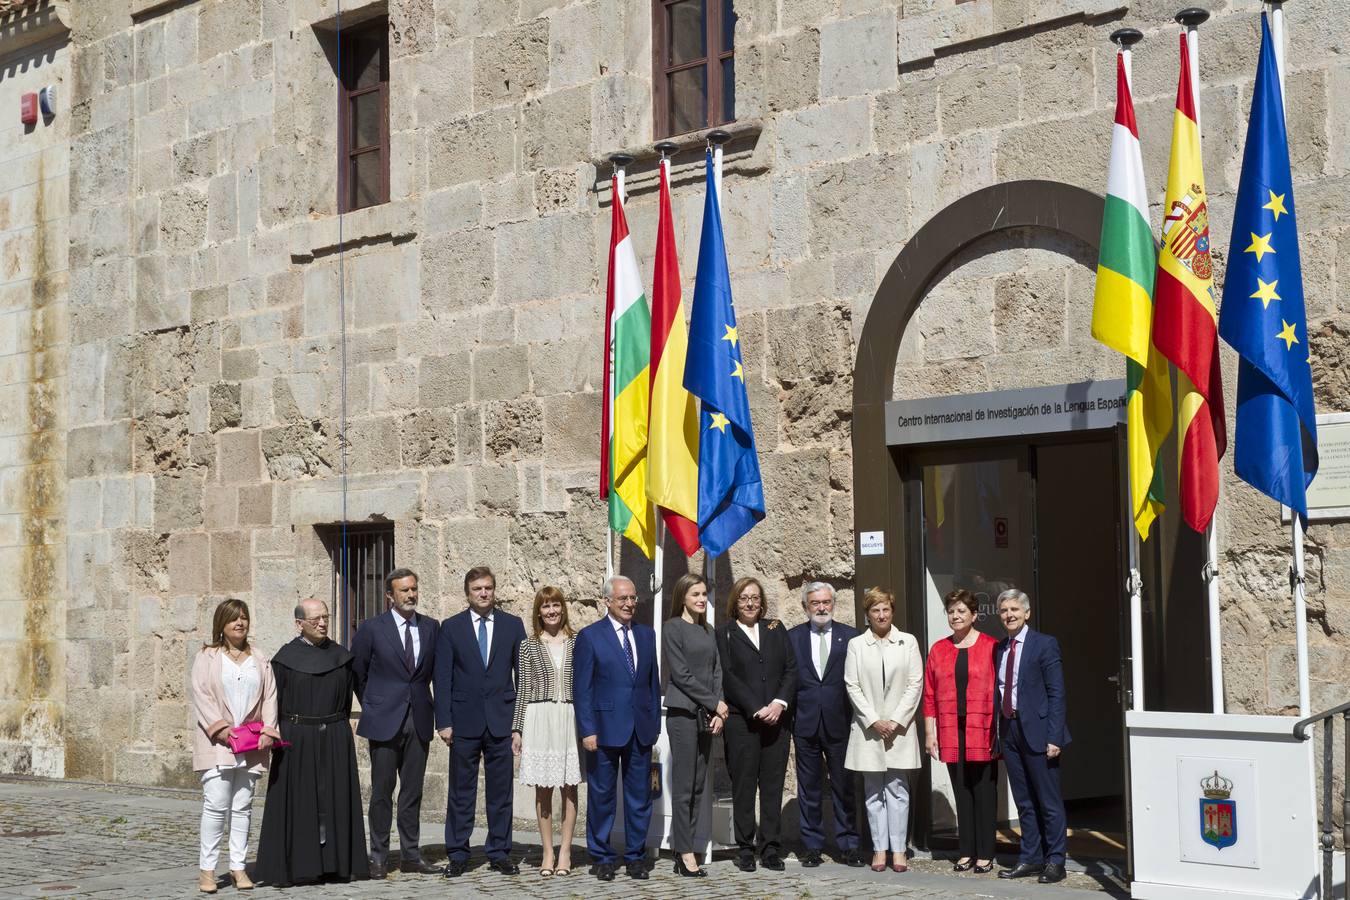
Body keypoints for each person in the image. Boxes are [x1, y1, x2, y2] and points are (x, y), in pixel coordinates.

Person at [254, 598, 369, 886]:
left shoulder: (341, 656)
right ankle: (297, 865)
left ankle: (337, 864)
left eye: (326, 617)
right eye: (315, 619)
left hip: (334, 736)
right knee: (298, 800)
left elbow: (354, 695)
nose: (322, 623)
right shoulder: (284, 659)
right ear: (299, 624)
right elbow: (272, 702)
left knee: (335, 799)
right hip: (296, 738)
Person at [433, 566, 527, 878]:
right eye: (477, 589)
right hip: (464, 723)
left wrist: (519, 725)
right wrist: (444, 722)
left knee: (501, 793)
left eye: (488, 588)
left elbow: (523, 677)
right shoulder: (451, 627)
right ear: (467, 593)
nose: (484, 593)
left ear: (494, 590)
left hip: (501, 722)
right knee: (461, 792)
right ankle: (458, 853)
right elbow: (442, 678)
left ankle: (499, 852)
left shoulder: (512, 626)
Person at [350, 567, 439, 878]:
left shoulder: (430, 627)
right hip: (384, 720)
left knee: (412, 792)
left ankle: (411, 855)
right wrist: (375, 704)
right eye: (404, 590)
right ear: (389, 595)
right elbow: (358, 673)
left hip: (419, 719)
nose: (411, 594)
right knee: (381, 792)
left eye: (414, 588)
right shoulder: (371, 629)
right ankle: (378, 856)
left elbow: (434, 674)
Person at [573, 575, 661, 882]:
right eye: (622, 598)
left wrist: (654, 724)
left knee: (639, 798)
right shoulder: (590, 636)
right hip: (603, 730)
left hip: (640, 730)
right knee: (602, 797)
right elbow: (581, 688)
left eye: (633, 598)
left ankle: (636, 856)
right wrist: (587, 730)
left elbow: (651, 683)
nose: (629, 604)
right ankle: (602, 856)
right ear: (607, 601)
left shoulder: (647, 635)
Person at [190, 598, 280, 894]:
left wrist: (269, 729)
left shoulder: (260, 657)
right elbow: (201, 695)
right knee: (216, 805)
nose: (240, 623)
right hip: (219, 743)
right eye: (233, 619)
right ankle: (207, 870)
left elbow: (270, 696)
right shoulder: (208, 657)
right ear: (222, 625)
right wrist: (222, 730)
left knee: (242, 807)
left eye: (243, 617)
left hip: (252, 743)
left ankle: (238, 867)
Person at [715, 575, 797, 872]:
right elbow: (727, 675)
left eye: (755, 598)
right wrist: (756, 707)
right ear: (735, 603)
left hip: (777, 720)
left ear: (762, 602)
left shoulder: (775, 629)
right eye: (744, 598)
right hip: (743, 721)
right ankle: (746, 848)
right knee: (744, 785)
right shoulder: (724, 633)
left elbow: (790, 669)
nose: (750, 603)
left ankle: (771, 847)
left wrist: (779, 704)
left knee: (773, 786)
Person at [844, 587, 924, 874]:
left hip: (899, 729)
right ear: (867, 614)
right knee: (873, 791)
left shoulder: (908, 642)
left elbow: (916, 683)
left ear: (892, 611)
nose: (881, 615)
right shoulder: (856, 645)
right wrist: (873, 719)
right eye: (875, 610)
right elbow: (852, 685)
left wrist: (896, 719)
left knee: (898, 789)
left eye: (885, 609)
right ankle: (880, 849)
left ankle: (899, 849)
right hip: (869, 729)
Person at [994, 589, 1071, 884]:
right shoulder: (1000, 648)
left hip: (1039, 733)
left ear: (1027, 613)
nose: (1009, 615)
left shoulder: (1044, 644)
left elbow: (1057, 693)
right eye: (1004, 610)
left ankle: (1056, 861)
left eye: (1014, 609)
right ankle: (1030, 857)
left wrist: (1055, 736)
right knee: (1024, 801)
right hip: (1010, 730)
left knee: (1048, 801)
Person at [788, 582, 865, 868]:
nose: (821, 608)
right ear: (805, 607)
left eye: (825, 602)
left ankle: (849, 845)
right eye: (814, 603)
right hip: (806, 723)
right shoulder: (793, 637)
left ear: (834, 603)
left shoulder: (851, 636)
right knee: (809, 788)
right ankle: (811, 846)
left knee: (844, 786)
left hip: (840, 722)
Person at [923, 588, 998, 874]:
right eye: (951, 611)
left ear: (974, 615)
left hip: (984, 728)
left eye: (961, 611)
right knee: (961, 790)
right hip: (951, 729)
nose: (955, 616)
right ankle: (966, 851)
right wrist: (930, 735)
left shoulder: (991, 646)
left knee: (984, 790)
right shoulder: (939, 649)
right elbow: (929, 695)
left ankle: (986, 853)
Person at [512, 585, 582, 878]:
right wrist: (517, 729)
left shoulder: (579, 642)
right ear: (538, 612)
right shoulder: (528, 645)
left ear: (563, 608)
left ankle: (565, 850)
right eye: (545, 606)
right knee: (543, 788)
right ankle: (547, 852)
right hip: (539, 717)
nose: (551, 611)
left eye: (555, 605)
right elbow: (523, 689)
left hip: (569, 715)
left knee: (569, 787)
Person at [662, 573, 727, 878]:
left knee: (700, 785)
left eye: (704, 594)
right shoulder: (673, 628)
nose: (702, 599)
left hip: (708, 716)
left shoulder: (708, 630)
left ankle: (686, 844)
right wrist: (714, 703)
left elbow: (717, 671)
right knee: (684, 785)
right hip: (683, 715)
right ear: (683, 598)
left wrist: (719, 710)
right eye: (696, 594)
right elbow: (682, 675)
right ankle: (684, 851)